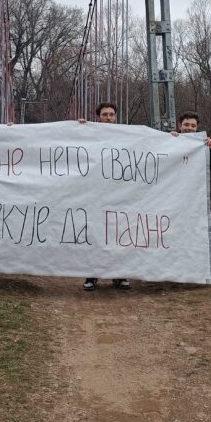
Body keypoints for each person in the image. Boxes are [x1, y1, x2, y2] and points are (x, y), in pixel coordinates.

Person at [79, 101, 131, 292]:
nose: (108, 118)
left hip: (119, 193)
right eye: (104, 114)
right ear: (98, 116)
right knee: (96, 233)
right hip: (95, 194)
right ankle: (92, 274)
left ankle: (119, 274)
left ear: (115, 116)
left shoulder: (127, 136)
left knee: (118, 234)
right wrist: (78, 129)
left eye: (111, 114)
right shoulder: (89, 134)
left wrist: (175, 139)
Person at [172, 110, 211, 280]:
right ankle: (172, 267)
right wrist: (167, 139)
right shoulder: (170, 140)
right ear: (180, 125)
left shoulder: (203, 144)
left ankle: (207, 267)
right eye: (186, 125)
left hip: (195, 198)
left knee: (199, 232)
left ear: (197, 127)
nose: (189, 128)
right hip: (173, 197)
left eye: (193, 126)